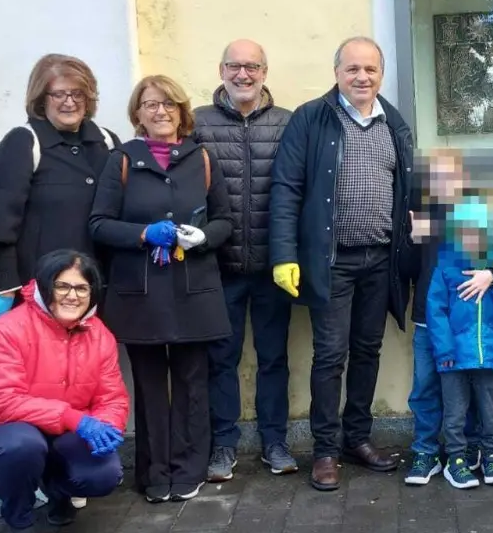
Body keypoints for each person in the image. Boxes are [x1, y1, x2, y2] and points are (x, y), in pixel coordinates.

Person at [270, 36, 416, 491]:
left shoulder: (393, 122)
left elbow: (411, 192)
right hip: (330, 262)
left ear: (381, 75)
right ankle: (326, 450)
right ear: (336, 73)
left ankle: (358, 438)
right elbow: (286, 189)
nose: (362, 77)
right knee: (330, 356)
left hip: (380, 260)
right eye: (352, 69)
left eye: (370, 70)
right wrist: (284, 255)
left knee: (368, 351)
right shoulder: (311, 119)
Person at [90, 75, 234, 503]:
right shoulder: (121, 159)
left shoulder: (201, 158)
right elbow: (99, 224)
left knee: (193, 381)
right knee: (150, 383)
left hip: (194, 291)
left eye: (169, 105)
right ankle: (154, 473)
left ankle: (189, 469)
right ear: (137, 113)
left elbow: (225, 219)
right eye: (151, 105)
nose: (161, 112)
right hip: (142, 294)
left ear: (182, 112)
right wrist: (143, 234)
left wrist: (203, 237)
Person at [0, 249, 129, 533]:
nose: (73, 296)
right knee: (23, 446)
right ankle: (19, 521)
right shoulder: (8, 329)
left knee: (104, 473)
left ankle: (58, 491)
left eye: (82, 288)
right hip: (3, 431)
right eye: (62, 286)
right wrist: (76, 419)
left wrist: (108, 426)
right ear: (44, 287)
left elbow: (112, 397)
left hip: (65, 432)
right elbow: (5, 402)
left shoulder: (100, 335)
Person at [193, 39, 297, 481]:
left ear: (265, 72)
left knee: (274, 358)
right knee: (222, 358)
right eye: (234, 66)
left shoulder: (288, 123)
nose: (243, 74)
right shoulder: (196, 123)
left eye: (252, 66)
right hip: (219, 265)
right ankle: (223, 445)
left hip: (274, 266)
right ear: (220, 70)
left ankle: (275, 442)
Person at [404, 150, 493, 486]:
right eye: (437, 177)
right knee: (426, 389)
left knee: (472, 391)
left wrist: (491, 274)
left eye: (451, 176)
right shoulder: (418, 218)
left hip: (468, 327)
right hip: (428, 324)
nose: (445, 184)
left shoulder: (475, 218)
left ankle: (468, 450)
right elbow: (401, 266)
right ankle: (425, 451)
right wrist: (409, 241)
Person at [0, 53, 122, 317]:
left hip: (99, 287)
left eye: (78, 94)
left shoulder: (106, 142)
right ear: (41, 99)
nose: (70, 102)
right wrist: (7, 286)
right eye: (59, 94)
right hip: (42, 292)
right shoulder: (23, 142)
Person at [425, 198, 493, 489]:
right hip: (453, 359)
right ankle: (456, 460)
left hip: (489, 356)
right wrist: (444, 351)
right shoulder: (445, 269)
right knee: (454, 412)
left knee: (490, 411)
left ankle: (491, 454)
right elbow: (436, 311)